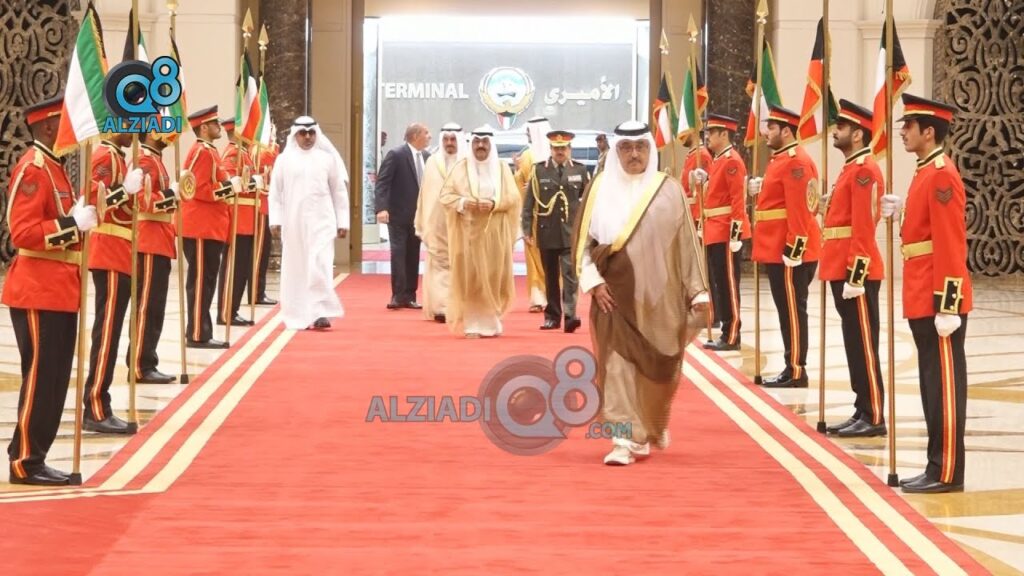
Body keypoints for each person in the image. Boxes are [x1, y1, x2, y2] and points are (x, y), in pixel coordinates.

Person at [573, 121, 708, 466]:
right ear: (616, 151)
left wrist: (697, 291)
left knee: (655, 368)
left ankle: (645, 428)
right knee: (616, 367)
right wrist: (594, 283)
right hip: (612, 296)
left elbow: (686, 244)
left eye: (640, 147)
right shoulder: (598, 188)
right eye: (626, 148)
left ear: (650, 148)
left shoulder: (668, 190)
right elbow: (582, 246)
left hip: (658, 300)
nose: (634, 154)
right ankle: (622, 438)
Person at [4, 95, 97, 484]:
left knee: (55, 380)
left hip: (59, 290)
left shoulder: (56, 169)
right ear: (46, 126)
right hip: (37, 290)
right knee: (41, 379)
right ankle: (25, 461)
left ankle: (33, 453)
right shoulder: (34, 168)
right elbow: (22, 232)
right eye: (63, 122)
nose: (70, 129)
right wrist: (71, 224)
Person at [882, 94, 972, 494]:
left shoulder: (941, 174)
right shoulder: (924, 171)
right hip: (921, 291)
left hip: (938, 297)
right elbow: (924, 231)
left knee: (944, 389)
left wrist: (948, 304)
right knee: (932, 386)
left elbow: (950, 242)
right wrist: (902, 211)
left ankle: (947, 470)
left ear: (929, 132)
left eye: (909, 126)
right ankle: (935, 465)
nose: (903, 132)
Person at [821, 99, 886, 438]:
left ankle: (874, 414)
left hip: (854, 271)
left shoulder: (863, 170)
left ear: (858, 134)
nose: (836, 131)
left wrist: (856, 274)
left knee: (863, 344)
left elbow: (863, 225)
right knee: (853, 344)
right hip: (840, 266)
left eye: (842, 127)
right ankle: (862, 407)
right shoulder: (850, 168)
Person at [747, 105, 821, 388]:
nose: (766, 132)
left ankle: (797, 371)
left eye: (772, 128)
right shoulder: (781, 160)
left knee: (792, 312)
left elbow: (801, 209)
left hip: (790, 252)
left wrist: (794, 249)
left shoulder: (796, 162)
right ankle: (791, 366)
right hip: (777, 249)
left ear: (786, 131)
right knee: (785, 311)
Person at [82, 130, 144, 434]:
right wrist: (124, 190)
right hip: (108, 250)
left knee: (112, 332)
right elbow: (94, 201)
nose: (134, 132)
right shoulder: (105, 156)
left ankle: (100, 401)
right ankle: (95, 405)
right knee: (106, 333)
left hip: (120, 252)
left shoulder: (118, 157)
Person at [439, 125, 520, 338]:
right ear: (471, 144)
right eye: (476, 142)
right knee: (472, 278)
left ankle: (491, 322)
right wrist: (464, 202)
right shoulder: (461, 168)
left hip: (495, 234)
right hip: (468, 234)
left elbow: (513, 198)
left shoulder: (502, 168)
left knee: (494, 276)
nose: (480, 146)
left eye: (484, 142)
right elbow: (445, 196)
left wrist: (494, 204)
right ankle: (472, 325)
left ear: (491, 145)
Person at [269, 116, 350, 330]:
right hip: (293, 223)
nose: (307, 137)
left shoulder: (327, 159)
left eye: (311, 133)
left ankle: (320, 312)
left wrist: (343, 221)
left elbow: (339, 192)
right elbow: (275, 193)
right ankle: (299, 312)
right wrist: (275, 220)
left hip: (323, 222)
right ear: (295, 135)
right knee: (297, 268)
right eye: (303, 133)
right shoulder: (284, 160)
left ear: (317, 134)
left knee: (320, 264)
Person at [182, 106, 241, 348]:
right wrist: (228, 188)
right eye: (215, 123)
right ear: (204, 128)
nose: (220, 127)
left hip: (209, 227)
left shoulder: (210, 151)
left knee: (206, 282)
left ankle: (200, 331)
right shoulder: (202, 152)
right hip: (200, 227)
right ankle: (197, 334)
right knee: (200, 283)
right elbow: (196, 188)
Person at [522, 130, 588, 332]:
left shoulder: (580, 170)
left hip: (570, 232)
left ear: (570, 149)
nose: (560, 152)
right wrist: (526, 229)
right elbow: (529, 202)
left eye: (564, 148)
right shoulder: (539, 171)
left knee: (570, 275)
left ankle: (570, 315)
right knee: (550, 277)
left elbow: (587, 200)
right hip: (547, 230)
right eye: (556, 148)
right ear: (550, 149)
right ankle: (552, 316)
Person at [696, 114, 750, 352]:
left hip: (726, 231)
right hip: (715, 229)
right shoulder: (718, 160)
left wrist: (736, 234)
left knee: (728, 285)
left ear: (724, 134)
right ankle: (726, 330)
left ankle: (732, 334)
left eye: (711, 132)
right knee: (720, 283)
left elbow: (738, 200)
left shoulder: (731, 161)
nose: (707, 136)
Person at [130, 127, 180, 385]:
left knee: (155, 307)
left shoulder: (155, 160)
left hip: (160, 239)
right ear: (150, 132)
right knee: (147, 306)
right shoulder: (145, 161)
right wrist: (171, 194)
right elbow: (143, 200)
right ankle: (141, 364)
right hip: (149, 239)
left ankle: (148, 360)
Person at [375, 122, 430, 310]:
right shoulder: (396, 155)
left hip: (418, 217)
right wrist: (381, 208)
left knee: (413, 255)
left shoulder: (427, 157)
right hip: (398, 215)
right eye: (426, 133)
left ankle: (410, 295)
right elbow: (382, 183)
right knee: (398, 254)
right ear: (415, 136)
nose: (429, 136)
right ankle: (397, 296)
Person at [413, 122, 465, 322]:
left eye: (453, 139)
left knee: (459, 264)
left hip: (461, 222)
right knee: (439, 264)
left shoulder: (467, 162)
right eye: (446, 139)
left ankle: (458, 305)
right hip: (436, 223)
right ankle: (441, 307)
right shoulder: (433, 162)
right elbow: (424, 193)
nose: (449, 143)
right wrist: (421, 220)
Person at [217, 117, 263, 327]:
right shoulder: (233, 153)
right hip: (238, 217)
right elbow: (230, 180)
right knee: (233, 269)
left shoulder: (244, 153)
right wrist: (251, 182)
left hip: (247, 218)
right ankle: (226, 312)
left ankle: (233, 309)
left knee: (242, 268)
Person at [514, 116, 550, 313]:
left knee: (550, 257)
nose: (528, 135)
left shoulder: (552, 155)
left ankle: (548, 296)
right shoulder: (527, 156)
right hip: (532, 216)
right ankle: (538, 297)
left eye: (530, 131)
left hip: (550, 217)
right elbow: (519, 184)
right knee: (533, 256)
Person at [252, 140, 279, 306]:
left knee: (263, 253)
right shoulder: (262, 151)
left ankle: (257, 291)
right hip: (262, 204)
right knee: (260, 254)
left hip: (266, 205)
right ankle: (257, 292)